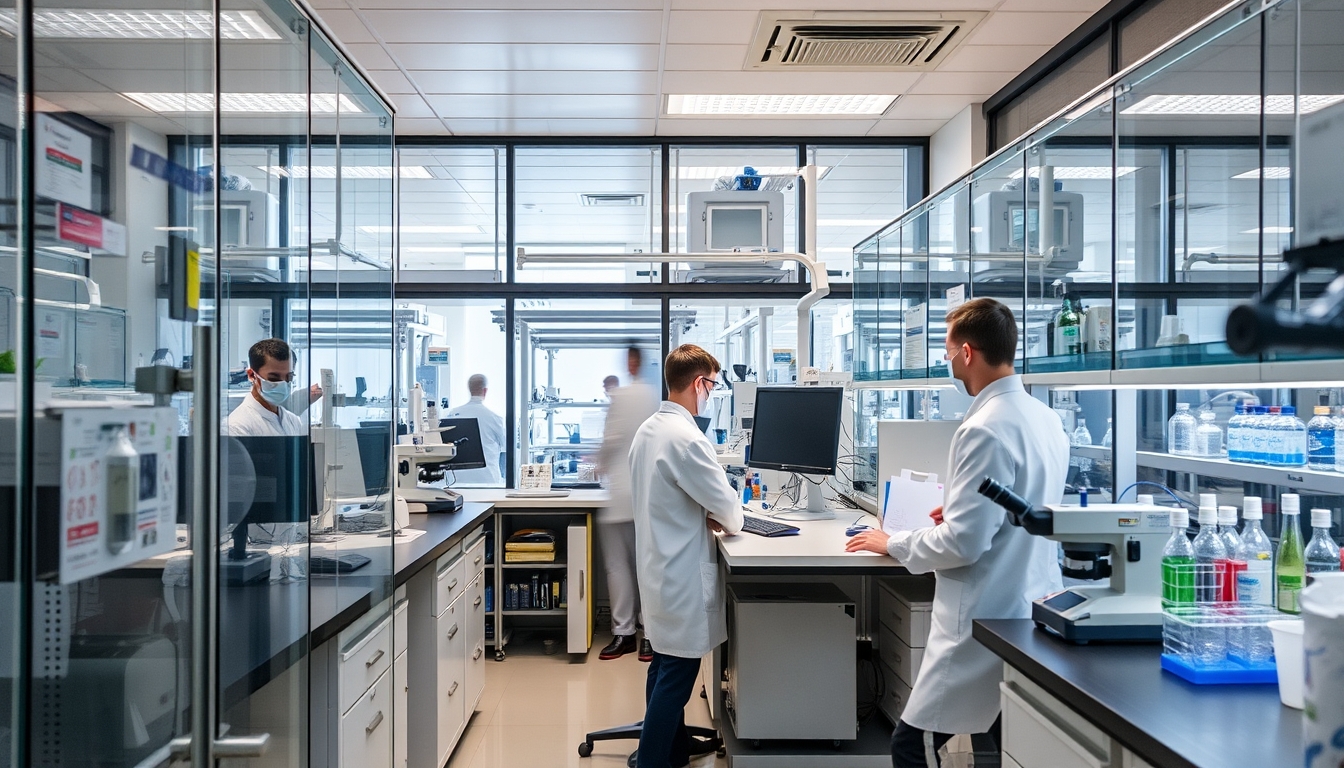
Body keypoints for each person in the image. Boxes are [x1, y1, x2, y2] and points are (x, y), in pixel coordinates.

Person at [845, 298, 1068, 768]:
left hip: (982, 616)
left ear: (967, 352)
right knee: (1005, 741)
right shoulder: (1045, 419)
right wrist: (966, 511)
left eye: (948, 352)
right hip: (1028, 610)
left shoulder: (984, 428)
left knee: (913, 746)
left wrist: (896, 542)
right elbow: (1023, 509)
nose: (948, 363)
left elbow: (964, 545)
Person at [629, 344, 743, 768]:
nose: (710, 394)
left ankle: (671, 749)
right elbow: (730, 511)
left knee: (661, 668)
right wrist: (721, 514)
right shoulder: (686, 438)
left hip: (659, 571)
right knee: (676, 677)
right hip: (679, 577)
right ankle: (653, 761)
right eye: (711, 386)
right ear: (699, 384)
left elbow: (672, 496)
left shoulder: (650, 429)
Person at [594, 346, 660, 661]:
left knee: (618, 566)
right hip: (646, 493)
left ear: (630, 363)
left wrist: (597, 465)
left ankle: (624, 634)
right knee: (646, 567)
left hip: (620, 493)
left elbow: (611, 440)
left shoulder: (622, 396)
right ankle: (649, 634)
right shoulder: (655, 396)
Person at [228, 338, 314, 437]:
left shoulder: (293, 420)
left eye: (288, 377)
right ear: (252, 375)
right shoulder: (237, 426)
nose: (282, 384)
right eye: (274, 378)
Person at [446, 374, 506, 485]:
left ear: (469, 389)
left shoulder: (452, 414)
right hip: (486, 481)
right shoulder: (494, 417)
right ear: (485, 391)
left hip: (457, 482)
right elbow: (506, 445)